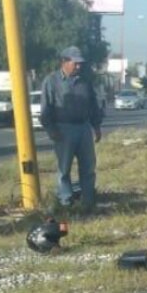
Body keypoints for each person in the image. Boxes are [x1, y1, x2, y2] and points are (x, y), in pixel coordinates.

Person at [40, 46, 104, 211]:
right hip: (63, 129)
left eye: (80, 63)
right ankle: (66, 203)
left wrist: (96, 126)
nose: (78, 66)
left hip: (83, 128)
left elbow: (93, 105)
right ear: (64, 62)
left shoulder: (84, 81)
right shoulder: (51, 81)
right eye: (75, 63)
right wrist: (51, 130)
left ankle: (88, 201)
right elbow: (46, 109)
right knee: (64, 169)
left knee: (88, 167)